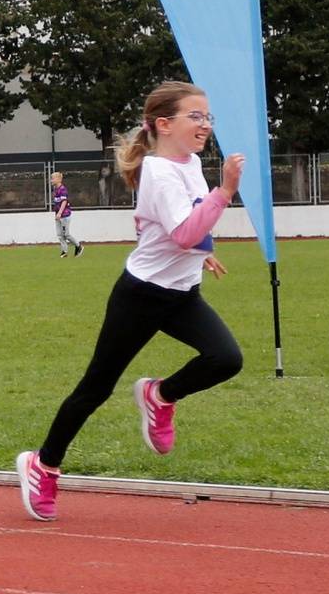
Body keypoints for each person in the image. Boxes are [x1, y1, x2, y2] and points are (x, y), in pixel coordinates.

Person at [15, 83, 244, 523]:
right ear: (164, 124)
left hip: (182, 294)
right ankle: (42, 465)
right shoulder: (158, 171)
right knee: (95, 388)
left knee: (225, 358)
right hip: (141, 296)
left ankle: (160, 395)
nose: (206, 125)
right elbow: (181, 231)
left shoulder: (192, 163)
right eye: (195, 116)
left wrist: (204, 248)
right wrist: (225, 192)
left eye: (207, 117)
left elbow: (188, 224)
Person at [51, 171, 82, 257]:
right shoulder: (55, 189)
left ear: (58, 179)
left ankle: (78, 246)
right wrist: (56, 214)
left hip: (64, 215)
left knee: (66, 235)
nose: (51, 180)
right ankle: (64, 252)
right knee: (60, 234)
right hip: (58, 215)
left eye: (52, 178)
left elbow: (64, 202)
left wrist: (60, 213)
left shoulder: (62, 189)